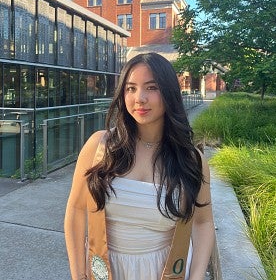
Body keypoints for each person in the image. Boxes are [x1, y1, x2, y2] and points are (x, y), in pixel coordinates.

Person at [64, 52, 215, 280]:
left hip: (164, 269)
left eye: (152, 88)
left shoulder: (190, 159)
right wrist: (78, 275)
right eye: (131, 88)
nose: (139, 98)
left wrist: (195, 277)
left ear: (169, 92)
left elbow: (203, 222)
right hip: (106, 268)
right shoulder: (100, 146)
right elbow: (75, 210)